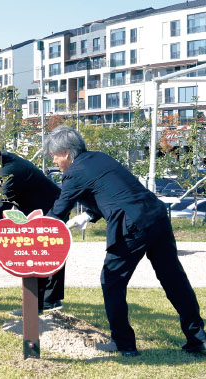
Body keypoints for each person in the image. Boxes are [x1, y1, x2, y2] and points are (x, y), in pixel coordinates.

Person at [44, 125, 206, 356]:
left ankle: (124, 344)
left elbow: (59, 211)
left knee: (112, 281)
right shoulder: (100, 158)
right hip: (157, 215)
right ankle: (197, 338)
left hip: (133, 226)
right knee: (173, 279)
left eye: (55, 156)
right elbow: (112, 192)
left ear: (67, 153)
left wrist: (37, 230)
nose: (55, 161)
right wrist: (88, 216)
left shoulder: (74, 172)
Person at [0, 142, 66, 315]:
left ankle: (43, 304)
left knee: (43, 253)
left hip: (51, 206)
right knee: (43, 252)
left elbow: (2, 206)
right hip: (38, 206)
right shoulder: (4, 162)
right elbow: (2, 199)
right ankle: (47, 302)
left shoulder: (9, 171)